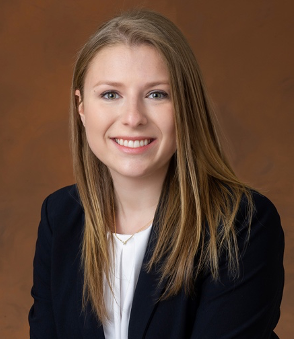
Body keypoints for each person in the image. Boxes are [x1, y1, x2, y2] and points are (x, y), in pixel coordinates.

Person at [28, 9, 284, 339]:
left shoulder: (241, 223)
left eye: (156, 94)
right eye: (110, 94)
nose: (133, 117)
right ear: (81, 107)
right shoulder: (60, 216)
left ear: (186, 105)